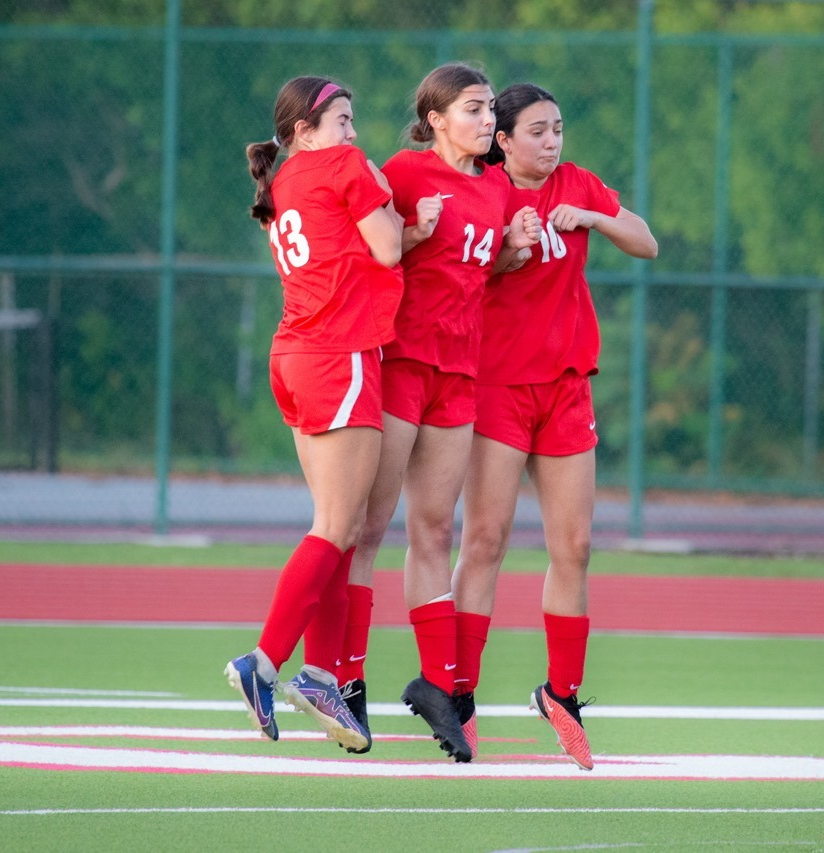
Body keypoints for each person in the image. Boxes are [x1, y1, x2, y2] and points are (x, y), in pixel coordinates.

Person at [335, 62, 540, 762]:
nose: (489, 122)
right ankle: (346, 677)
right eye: (476, 110)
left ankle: (439, 688)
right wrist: (412, 234)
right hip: (399, 362)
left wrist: (512, 254)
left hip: (458, 373)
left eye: (489, 110)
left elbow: (478, 272)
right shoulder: (404, 170)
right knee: (368, 526)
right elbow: (366, 247)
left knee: (434, 530)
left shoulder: (494, 187)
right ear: (435, 119)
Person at [451, 82, 658, 770]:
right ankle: (459, 693)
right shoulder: (483, 193)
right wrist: (510, 247)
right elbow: (465, 282)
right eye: (537, 131)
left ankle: (562, 694)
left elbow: (646, 242)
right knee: (485, 539)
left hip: (566, 386)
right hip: (499, 387)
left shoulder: (577, 184)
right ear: (502, 141)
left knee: (574, 543)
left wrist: (594, 219)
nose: (552, 140)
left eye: (558, 128)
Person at [224, 76, 404, 754]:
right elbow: (386, 247)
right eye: (341, 120)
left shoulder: (284, 184)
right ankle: (264, 662)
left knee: (346, 524)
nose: (352, 133)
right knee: (336, 524)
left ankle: (321, 674)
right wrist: (391, 198)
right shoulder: (342, 165)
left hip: (295, 354)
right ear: (303, 130)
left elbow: (348, 247)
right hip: (340, 353)